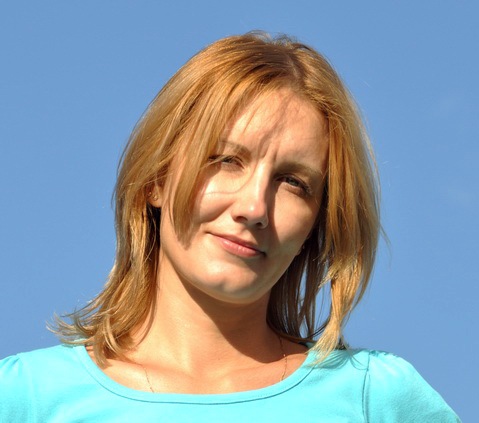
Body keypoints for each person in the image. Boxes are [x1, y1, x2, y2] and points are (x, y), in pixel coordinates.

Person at [0, 32, 460, 422]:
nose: (254, 207)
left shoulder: (377, 399)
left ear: (317, 226)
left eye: (293, 182)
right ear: (156, 178)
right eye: (225, 160)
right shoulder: (24, 398)